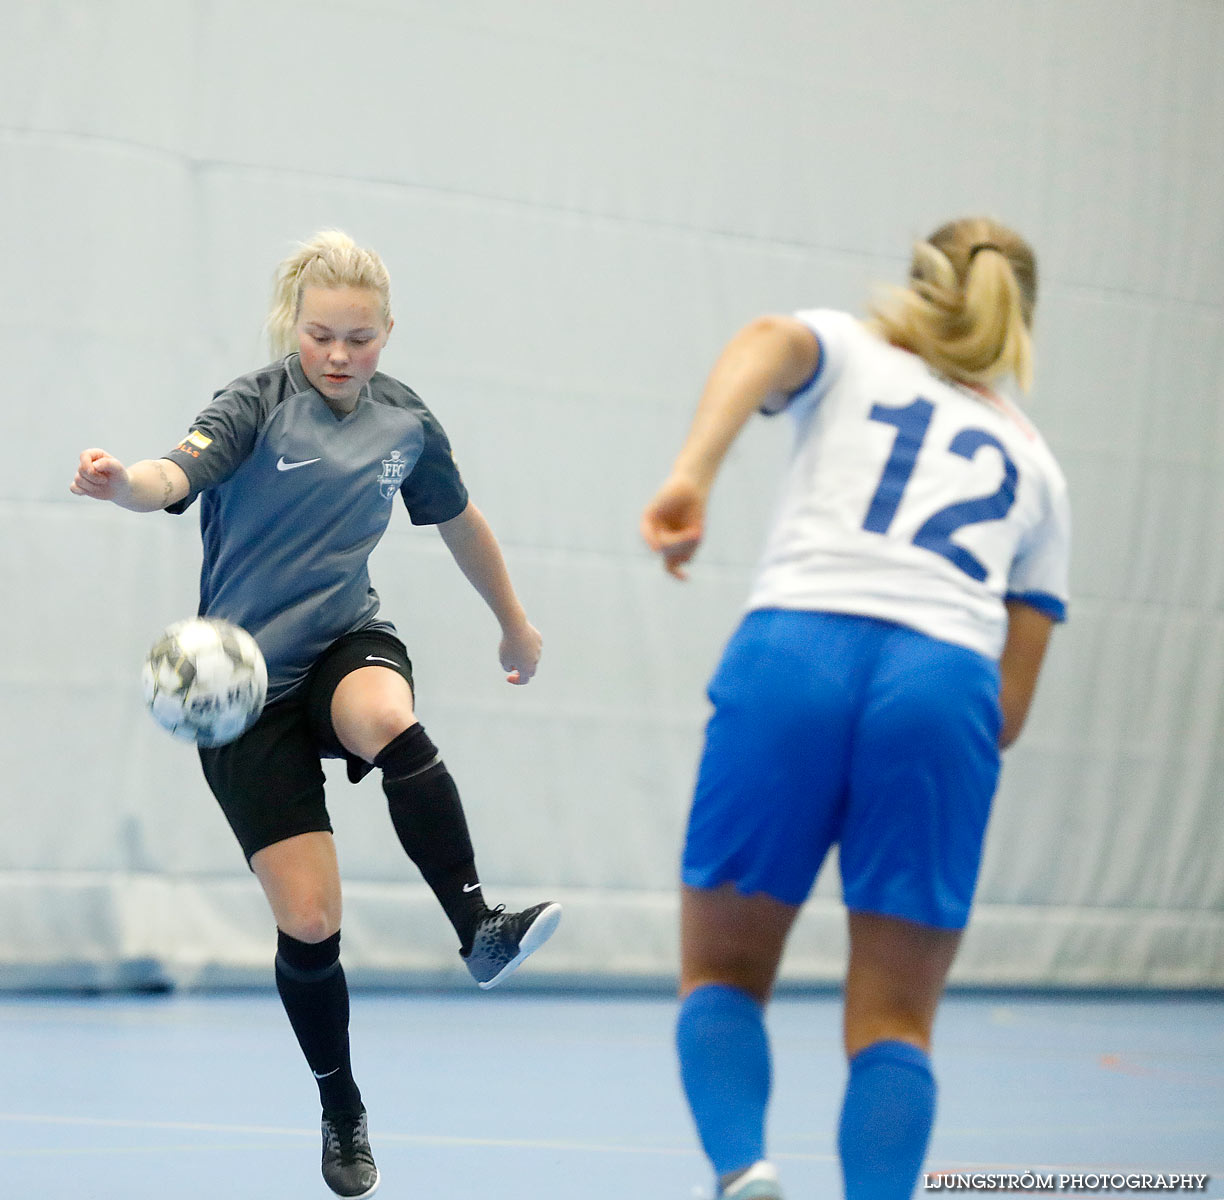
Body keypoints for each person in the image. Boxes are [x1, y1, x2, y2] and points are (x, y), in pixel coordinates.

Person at [72, 230, 561, 1198]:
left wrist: (514, 623)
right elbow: (174, 474)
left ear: (387, 334)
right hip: (243, 687)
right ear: (294, 327)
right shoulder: (255, 404)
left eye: (362, 338)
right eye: (322, 336)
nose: (340, 356)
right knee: (310, 919)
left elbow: (459, 518)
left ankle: (478, 927)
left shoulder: (406, 422)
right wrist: (121, 483)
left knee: (387, 716)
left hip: (345, 641)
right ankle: (342, 1107)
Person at [640, 217, 1070, 1200]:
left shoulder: (849, 347)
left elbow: (761, 339)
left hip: (797, 651)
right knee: (894, 1025)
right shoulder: (1039, 468)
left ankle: (743, 1166)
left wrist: (693, 473)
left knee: (723, 975)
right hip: (945, 681)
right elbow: (1008, 707)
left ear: (916, 284)